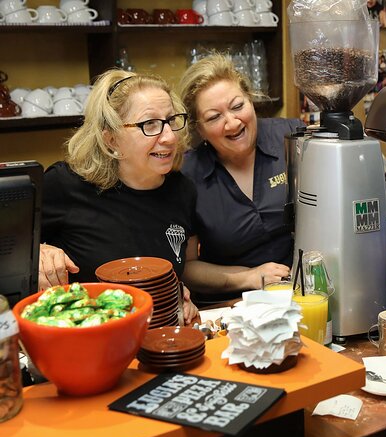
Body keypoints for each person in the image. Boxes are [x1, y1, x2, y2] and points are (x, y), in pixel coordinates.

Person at [39, 69, 199, 323]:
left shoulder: (182, 190)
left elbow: (181, 274)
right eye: (150, 124)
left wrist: (180, 297)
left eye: (171, 120)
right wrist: (38, 252)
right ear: (110, 138)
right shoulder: (64, 185)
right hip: (87, 341)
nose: (169, 137)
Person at [177, 53, 303, 306]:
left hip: (299, 296)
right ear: (198, 128)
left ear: (251, 101)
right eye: (214, 117)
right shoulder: (188, 174)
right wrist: (250, 277)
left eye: (237, 106)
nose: (232, 123)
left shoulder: (291, 138)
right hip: (228, 306)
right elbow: (188, 267)